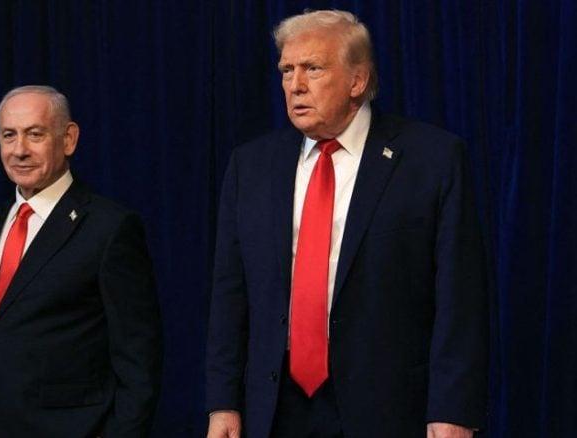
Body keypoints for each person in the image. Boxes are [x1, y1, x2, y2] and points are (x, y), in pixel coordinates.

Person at [206, 10, 487, 438]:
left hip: (388, 408)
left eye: (312, 69)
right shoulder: (251, 166)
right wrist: (223, 403)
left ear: (357, 81)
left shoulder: (432, 160)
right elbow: (230, 295)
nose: (295, 85)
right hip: (275, 408)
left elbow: (459, 296)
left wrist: (452, 410)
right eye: (286, 70)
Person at [0, 86, 162, 437]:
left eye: (35, 134)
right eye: (9, 135)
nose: (20, 150)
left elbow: (138, 358)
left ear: (68, 139)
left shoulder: (109, 227)